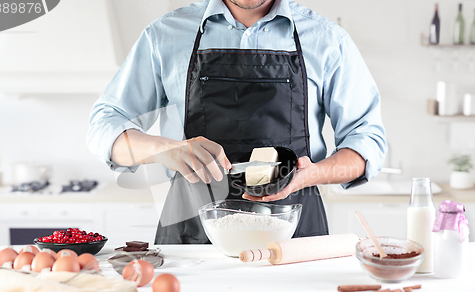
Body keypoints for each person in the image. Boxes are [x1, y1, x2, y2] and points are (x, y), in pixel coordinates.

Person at [87, 0, 387, 244]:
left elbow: (368, 143)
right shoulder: (165, 35)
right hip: (193, 239)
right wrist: (163, 149)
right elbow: (104, 125)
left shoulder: (327, 39)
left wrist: (313, 174)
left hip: (294, 238)